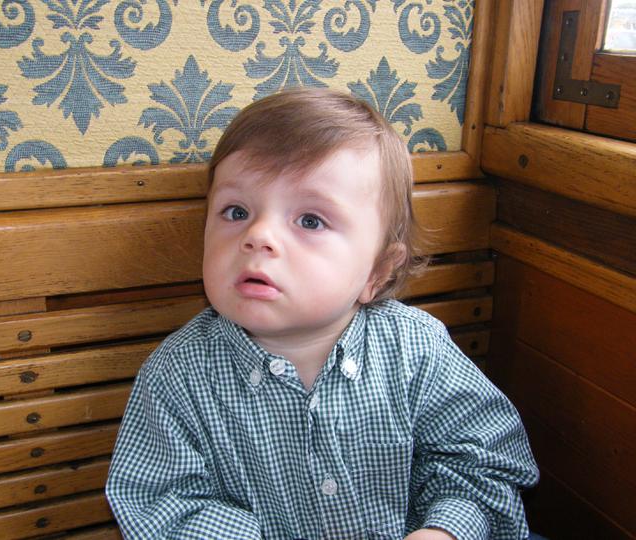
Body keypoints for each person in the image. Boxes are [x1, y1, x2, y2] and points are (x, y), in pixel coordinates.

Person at [105, 87, 539, 539]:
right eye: (236, 212)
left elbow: (482, 463)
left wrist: (445, 531)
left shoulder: (417, 349)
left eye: (310, 221)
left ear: (377, 271)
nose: (258, 236)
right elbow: (164, 504)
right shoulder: (178, 374)